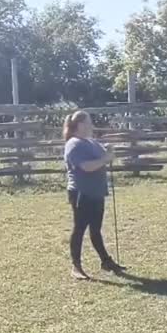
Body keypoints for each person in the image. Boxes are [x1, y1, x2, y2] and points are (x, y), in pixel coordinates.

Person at [62, 110, 127, 280]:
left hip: (96, 192)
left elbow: (102, 154)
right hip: (81, 193)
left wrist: (108, 150)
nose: (92, 125)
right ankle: (76, 267)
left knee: (96, 229)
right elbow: (86, 166)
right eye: (89, 122)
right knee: (79, 229)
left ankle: (106, 261)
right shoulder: (74, 144)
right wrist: (106, 158)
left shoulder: (91, 142)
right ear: (80, 124)